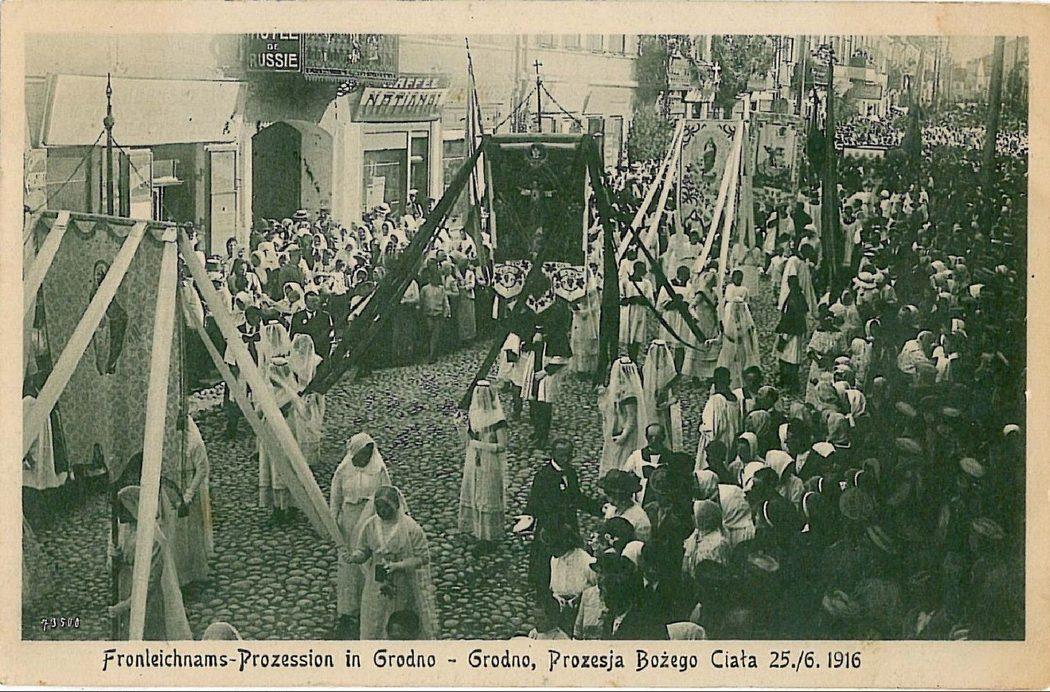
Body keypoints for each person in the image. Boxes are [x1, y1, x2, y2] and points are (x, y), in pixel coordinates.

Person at [347, 485, 439, 639]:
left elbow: (423, 557)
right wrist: (356, 556)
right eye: (379, 508)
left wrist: (399, 565)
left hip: (402, 581)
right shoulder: (370, 525)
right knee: (376, 612)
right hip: (377, 580)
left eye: (386, 507)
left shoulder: (411, 528)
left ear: (396, 505)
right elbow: (364, 549)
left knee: (399, 612)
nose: (383, 511)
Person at [517, 440, 600, 598]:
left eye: (568, 455)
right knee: (546, 559)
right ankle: (544, 591)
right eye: (562, 455)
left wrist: (597, 508)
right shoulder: (543, 476)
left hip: (569, 525)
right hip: (551, 527)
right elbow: (534, 502)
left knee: (570, 557)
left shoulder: (571, 473)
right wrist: (527, 523)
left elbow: (577, 497)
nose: (565, 458)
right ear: (553, 454)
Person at [108, 485, 193, 640]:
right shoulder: (124, 530)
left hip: (147, 601)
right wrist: (115, 557)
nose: (120, 514)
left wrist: (124, 606)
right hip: (125, 588)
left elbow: (149, 584)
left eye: (124, 508)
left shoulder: (153, 539)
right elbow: (115, 565)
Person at [330, 433, 390, 637]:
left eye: (367, 454)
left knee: (370, 562)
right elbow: (335, 499)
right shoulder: (343, 471)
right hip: (349, 520)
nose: (364, 458)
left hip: (371, 520)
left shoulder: (378, 470)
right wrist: (333, 523)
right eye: (360, 454)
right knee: (348, 566)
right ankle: (348, 610)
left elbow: (387, 494)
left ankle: (373, 608)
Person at [458, 381, 509, 554]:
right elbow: (468, 440)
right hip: (474, 461)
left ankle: (489, 536)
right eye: (478, 394)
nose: (480, 397)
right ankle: (477, 531)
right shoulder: (475, 416)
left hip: (490, 462)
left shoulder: (498, 419)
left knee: (488, 495)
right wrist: (461, 427)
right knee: (475, 493)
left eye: (484, 394)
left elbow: (502, 445)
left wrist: (480, 445)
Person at [170, 415, 213, 588]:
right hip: (173, 490)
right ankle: (178, 575)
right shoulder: (169, 441)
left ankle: (193, 572)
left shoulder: (194, 442)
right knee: (175, 533)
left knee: (191, 532)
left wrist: (189, 494)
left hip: (189, 488)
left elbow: (202, 469)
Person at [599, 357, 647, 477]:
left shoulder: (629, 394)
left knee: (622, 462)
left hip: (625, 436)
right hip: (615, 432)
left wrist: (623, 436)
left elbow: (631, 420)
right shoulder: (617, 390)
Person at [695, 367, 743, 472]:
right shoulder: (735, 399)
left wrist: (701, 427)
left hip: (717, 443)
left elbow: (711, 430)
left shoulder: (716, 400)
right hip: (731, 441)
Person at [642, 340, 683, 452]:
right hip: (649, 409)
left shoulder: (671, 374)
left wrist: (667, 403)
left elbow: (676, 396)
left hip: (665, 413)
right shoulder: (646, 370)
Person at [774, 274, 809, 390]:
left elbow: (791, 319)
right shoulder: (797, 296)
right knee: (788, 357)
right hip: (793, 331)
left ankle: (792, 383)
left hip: (791, 332)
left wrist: (785, 336)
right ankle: (785, 379)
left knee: (790, 358)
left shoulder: (794, 299)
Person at [620, 261, 653, 362]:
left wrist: (641, 300)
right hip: (629, 312)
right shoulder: (625, 282)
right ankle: (629, 358)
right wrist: (631, 299)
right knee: (629, 334)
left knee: (637, 336)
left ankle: (634, 358)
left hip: (640, 312)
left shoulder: (647, 283)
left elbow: (649, 301)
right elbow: (621, 299)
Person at [419, 270, 450, 363]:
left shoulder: (441, 289)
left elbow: (445, 302)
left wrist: (446, 313)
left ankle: (432, 355)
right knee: (429, 333)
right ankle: (430, 353)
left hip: (438, 314)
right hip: (428, 314)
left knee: (435, 335)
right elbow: (421, 301)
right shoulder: (425, 289)